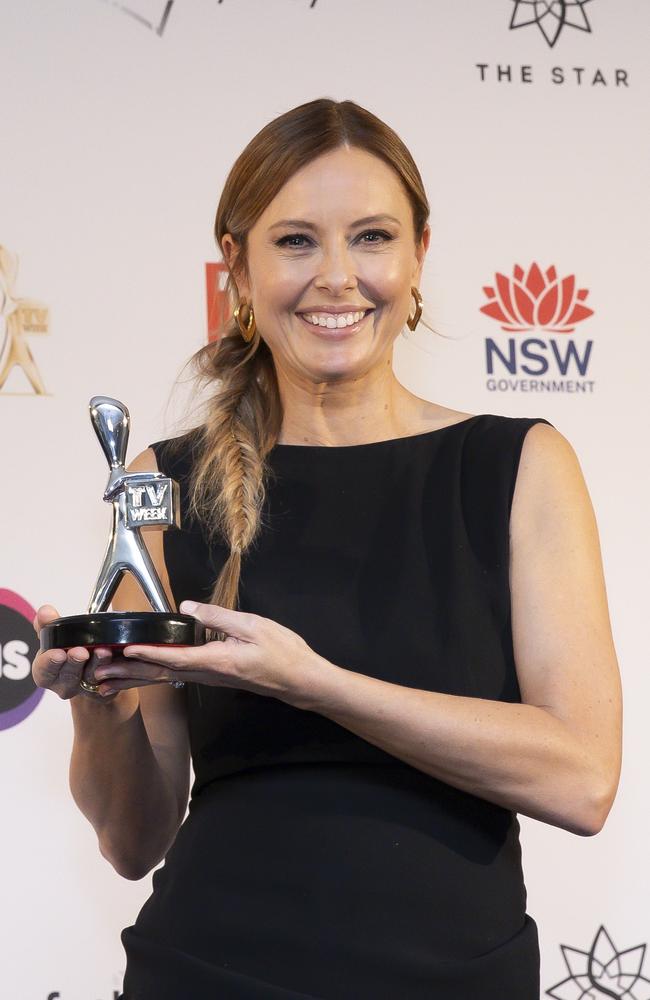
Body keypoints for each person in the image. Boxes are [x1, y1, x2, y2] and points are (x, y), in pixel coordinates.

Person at [32, 98, 622, 999]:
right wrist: (95, 703)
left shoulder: (517, 465)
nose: (338, 277)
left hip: (458, 979)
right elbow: (130, 841)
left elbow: (582, 780)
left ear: (421, 252)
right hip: (205, 969)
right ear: (238, 265)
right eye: (297, 241)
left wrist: (313, 683)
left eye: (373, 237)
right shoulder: (166, 479)